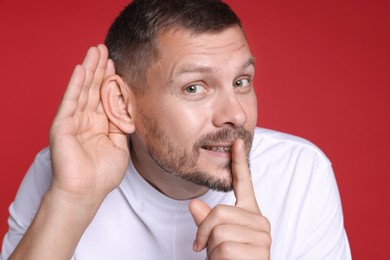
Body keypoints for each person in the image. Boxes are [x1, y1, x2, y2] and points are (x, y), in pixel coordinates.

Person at [1, 0, 351, 259]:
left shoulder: (299, 172)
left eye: (242, 81)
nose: (237, 116)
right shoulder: (63, 173)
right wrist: (70, 200)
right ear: (123, 104)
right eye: (194, 87)